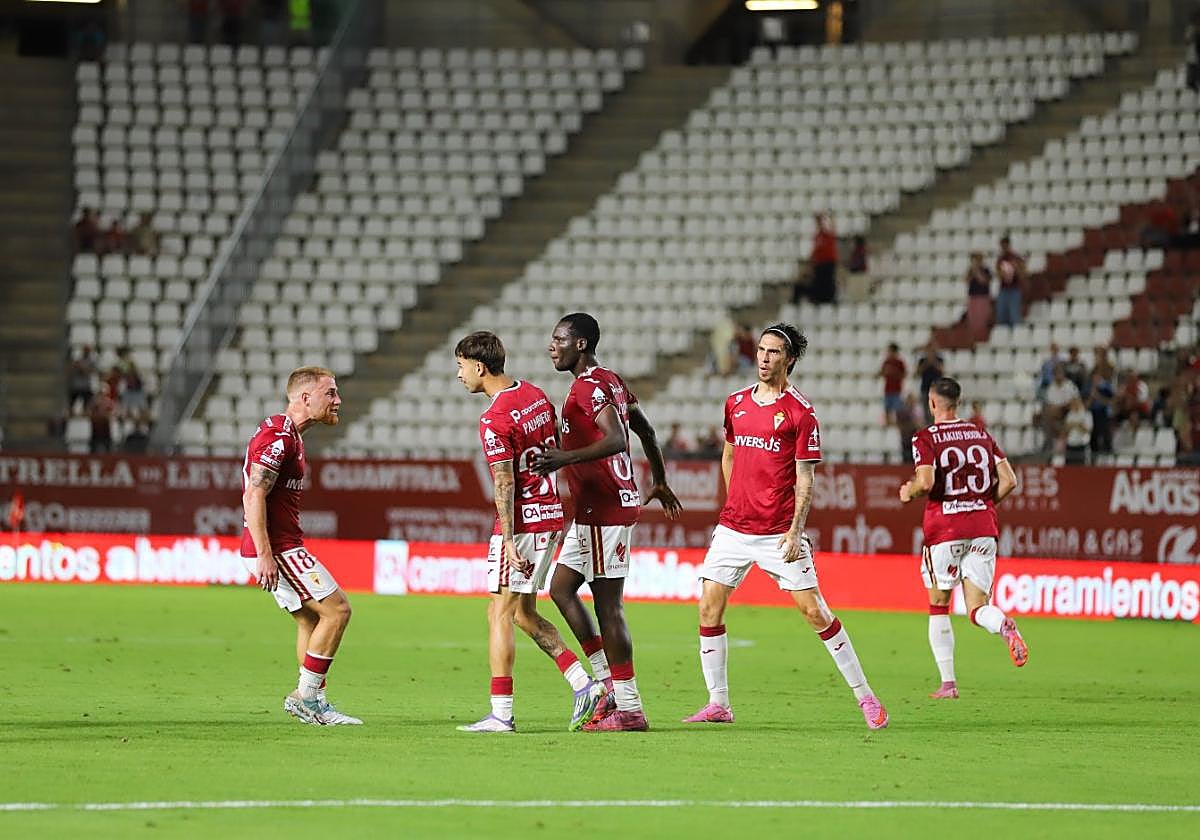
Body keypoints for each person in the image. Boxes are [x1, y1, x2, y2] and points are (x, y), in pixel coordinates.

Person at [682, 322, 889, 729]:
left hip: (778, 532)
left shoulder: (800, 412)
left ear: (789, 359)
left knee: (814, 611)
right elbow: (728, 455)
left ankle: (866, 696)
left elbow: (805, 479)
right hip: (734, 529)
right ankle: (718, 703)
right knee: (708, 605)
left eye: (774, 352)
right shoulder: (736, 403)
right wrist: (734, 500)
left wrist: (795, 530)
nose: (763, 358)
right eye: (761, 350)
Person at [533, 313, 683, 732]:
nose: (552, 345)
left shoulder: (589, 387)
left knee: (608, 606)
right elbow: (647, 431)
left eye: (559, 339)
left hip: (606, 510)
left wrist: (562, 459)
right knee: (561, 588)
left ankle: (631, 709)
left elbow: (619, 438)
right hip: (593, 510)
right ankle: (606, 683)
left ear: (580, 344)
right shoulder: (612, 381)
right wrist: (661, 481)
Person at [454, 331, 604, 733]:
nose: (459, 375)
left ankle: (501, 713)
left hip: (522, 523)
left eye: (460, 366)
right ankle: (583, 684)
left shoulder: (494, 419)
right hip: (552, 514)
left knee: (498, 612)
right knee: (522, 612)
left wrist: (505, 537)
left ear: (479, 367)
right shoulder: (535, 394)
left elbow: (504, 482)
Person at [240, 366, 360, 726]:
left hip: (277, 545)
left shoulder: (289, 434)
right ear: (306, 399)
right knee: (338, 610)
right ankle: (305, 696)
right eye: (331, 394)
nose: (338, 401)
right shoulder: (280, 438)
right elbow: (254, 494)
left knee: (310, 620)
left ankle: (315, 702)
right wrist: (265, 554)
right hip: (278, 547)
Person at [899, 376, 1026, 700]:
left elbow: (925, 482)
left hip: (945, 529)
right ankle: (1003, 626)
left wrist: (907, 491)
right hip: (984, 528)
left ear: (932, 403)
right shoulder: (980, 434)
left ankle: (948, 683)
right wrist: (981, 503)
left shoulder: (926, 437)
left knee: (939, 604)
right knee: (977, 607)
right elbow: (1009, 480)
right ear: (958, 403)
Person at [803, 213, 838, 304]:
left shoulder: (828, 234)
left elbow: (833, 227)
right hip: (819, 263)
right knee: (819, 282)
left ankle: (829, 298)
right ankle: (819, 299)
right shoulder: (817, 236)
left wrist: (829, 217)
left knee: (828, 281)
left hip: (828, 262)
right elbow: (815, 250)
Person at [994, 235, 1026, 327]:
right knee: (1001, 315)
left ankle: (1016, 335)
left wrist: (1016, 268)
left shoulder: (1016, 258)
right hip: (1003, 289)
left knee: (1014, 315)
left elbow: (1023, 273)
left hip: (1014, 289)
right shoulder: (1000, 259)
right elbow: (999, 274)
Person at [964, 252, 993, 342]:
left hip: (982, 297)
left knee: (981, 319)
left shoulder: (986, 270)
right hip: (973, 296)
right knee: (972, 319)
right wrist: (973, 272)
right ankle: (973, 338)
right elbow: (967, 281)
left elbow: (985, 281)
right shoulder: (971, 270)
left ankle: (981, 337)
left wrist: (977, 272)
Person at [878, 342, 906, 426]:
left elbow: (903, 375)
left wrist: (893, 372)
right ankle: (887, 423)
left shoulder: (899, 362)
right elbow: (881, 373)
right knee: (887, 408)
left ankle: (897, 423)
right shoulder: (886, 362)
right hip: (888, 389)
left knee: (898, 409)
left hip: (896, 389)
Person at [916, 341, 944, 425]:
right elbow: (918, 372)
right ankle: (928, 425)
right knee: (926, 409)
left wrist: (933, 361)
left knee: (936, 409)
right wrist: (927, 363)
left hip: (937, 389)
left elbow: (942, 370)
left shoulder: (939, 359)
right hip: (925, 388)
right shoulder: (922, 360)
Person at [1061, 396, 1093, 465]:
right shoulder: (1069, 415)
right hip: (1070, 445)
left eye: (1075, 403)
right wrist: (1078, 424)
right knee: (1069, 468)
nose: (1074, 405)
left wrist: (1075, 425)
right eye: (1072, 404)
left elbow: (1088, 430)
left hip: (1082, 445)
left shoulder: (1087, 414)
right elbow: (1066, 429)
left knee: (1082, 467)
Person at [67, 346, 97, 415]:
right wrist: (74, 366)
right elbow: (70, 371)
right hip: (76, 385)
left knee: (86, 404)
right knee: (72, 403)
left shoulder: (91, 362)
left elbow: (89, 372)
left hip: (86, 386)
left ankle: (85, 414)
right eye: (85, 350)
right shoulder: (78, 361)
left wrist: (81, 367)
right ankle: (71, 414)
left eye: (87, 351)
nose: (86, 352)